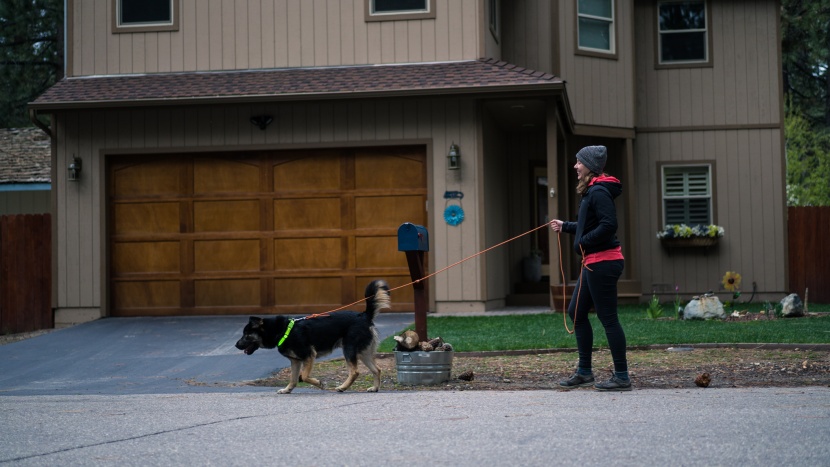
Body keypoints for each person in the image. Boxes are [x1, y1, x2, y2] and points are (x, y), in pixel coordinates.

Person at [550, 145, 631, 391]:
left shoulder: (598, 193)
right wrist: (566, 226)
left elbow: (608, 225)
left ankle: (622, 376)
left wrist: (583, 241)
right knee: (575, 312)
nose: (575, 166)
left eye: (579, 162)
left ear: (590, 167)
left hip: (604, 262)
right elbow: (590, 224)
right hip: (594, 262)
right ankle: (585, 372)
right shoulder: (593, 191)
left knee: (608, 319)